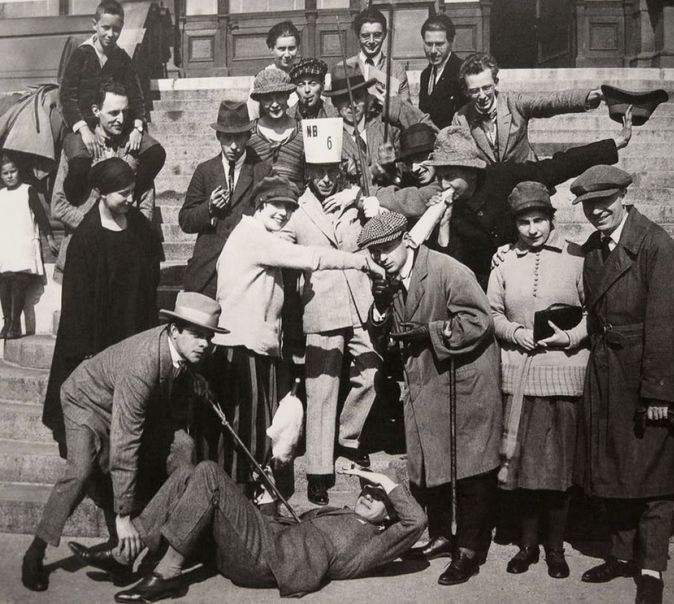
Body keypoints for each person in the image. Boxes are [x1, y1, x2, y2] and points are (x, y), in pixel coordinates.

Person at [21, 292, 226, 592]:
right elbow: (125, 440)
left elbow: (174, 372)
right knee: (81, 471)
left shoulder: (179, 349)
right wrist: (123, 515)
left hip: (122, 401)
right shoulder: (142, 365)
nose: (204, 344)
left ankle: (152, 544)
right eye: (197, 335)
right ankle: (36, 550)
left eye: (208, 337)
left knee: (184, 448)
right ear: (174, 330)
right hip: (86, 401)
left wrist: (194, 380)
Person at [571, 165, 674, 604]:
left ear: (624, 197)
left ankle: (651, 569)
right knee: (615, 470)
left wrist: (659, 393)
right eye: (589, 205)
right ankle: (621, 554)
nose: (597, 211)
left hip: (649, 377)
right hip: (609, 373)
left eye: (605, 202)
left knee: (653, 478)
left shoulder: (656, 245)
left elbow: (671, 323)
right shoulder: (596, 248)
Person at [210, 175, 384, 500]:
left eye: (289, 208)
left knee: (259, 435)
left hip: (255, 347)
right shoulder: (253, 237)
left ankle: (248, 505)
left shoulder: (257, 233)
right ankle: (234, 507)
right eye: (276, 205)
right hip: (240, 347)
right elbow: (311, 257)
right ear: (260, 204)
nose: (283, 213)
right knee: (247, 436)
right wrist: (361, 261)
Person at [361, 211, 502, 586]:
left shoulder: (447, 269)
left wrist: (431, 331)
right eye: (375, 252)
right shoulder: (390, 280)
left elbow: (479, 321)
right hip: (426, 383)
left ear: (407, 239)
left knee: (470, 468)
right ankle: (442, 536)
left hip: (464, 382)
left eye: (388, 247)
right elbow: (381, 337)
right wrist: (378, 308)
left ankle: (469, 551)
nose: (382, 257)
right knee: (430, 462)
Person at [66, 461, 426, 601]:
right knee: (188, 473)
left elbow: (417, 521)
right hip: (263, 539)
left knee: (209, 472)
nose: (368, 496)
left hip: (268, 560)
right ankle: (126, 552)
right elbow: (290, 523)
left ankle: (168, 572)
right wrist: (266, 499)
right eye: (366, 491)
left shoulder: (377, 542)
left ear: (388, 516)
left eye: (378, 498)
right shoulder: (341, 513)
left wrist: (380, 478)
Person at [486, 181, 589, 580]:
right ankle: (527, 546)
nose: (532, 229)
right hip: (519, 378)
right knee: (522, 468)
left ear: (551, 219)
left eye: (539, 220)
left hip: (564, 374)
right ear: (515, 224)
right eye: (524, 222)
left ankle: (556, 549)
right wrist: (514, 332)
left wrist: (571, 337)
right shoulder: (504, 264)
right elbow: (492, 313)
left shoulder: (576, 257)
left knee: (558, 470)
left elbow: (593, 312)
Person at [280, 130, 382, 505]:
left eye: (331, 170)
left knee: (370, 373)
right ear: (307, 172)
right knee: (321, 389)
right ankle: (319, 471)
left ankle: (348, 439)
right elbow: (281, 246)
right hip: (320, 307)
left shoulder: (353, 199)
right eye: (317, 171)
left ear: (341, 169)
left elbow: (382, 229)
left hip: (359, 302)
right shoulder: (297, 209)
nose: (325, 178)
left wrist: (362, 200)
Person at [430, 112, 632, 290]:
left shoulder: (503, 176)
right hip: (488, 288)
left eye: (449, 176)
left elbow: (557, 166)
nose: (443, 184)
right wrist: (444, 223)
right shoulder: (449, 209)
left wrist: (613, 145)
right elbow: (451, 267)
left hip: (531, 271)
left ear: (471, 172)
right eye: (439, 176)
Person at [43, 157, 161, 456]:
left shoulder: (137, 225)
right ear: (102, 193)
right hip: (98, 338)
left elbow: (151, 272)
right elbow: (77, 305)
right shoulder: (86, 238)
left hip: (133, 328)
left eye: (132, 191)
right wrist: (90, 354)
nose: (131, 199)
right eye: (123, 193)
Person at [59, 0, 165, 206]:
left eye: (116, 29)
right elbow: (66, 97)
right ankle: (85, 206)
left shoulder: (122, 58)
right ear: (94, 25)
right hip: (82, 126)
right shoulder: (81, 55)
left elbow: (136, 96)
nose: (110, 34)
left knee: (155, 153)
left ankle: (129, 193)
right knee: (80, 163)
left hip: (115, 123)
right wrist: (83, 129)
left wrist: (137, 126)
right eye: (105, 27)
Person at [51, 79, 156, 278]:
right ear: (96, 110)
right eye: (113, 113)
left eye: (125, 112)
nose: (121, 119)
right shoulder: (78, 149)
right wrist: (98, 228)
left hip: (123, 261)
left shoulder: (134, 149)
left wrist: (128, 231)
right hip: (81, 258)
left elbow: (146, 203)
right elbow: (58, 205)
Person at [178, 100, 270, 299]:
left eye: (239, 138)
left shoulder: (262, 170)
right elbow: (185, 221)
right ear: (218, 136)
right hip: (208, 273)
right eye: (228, 138)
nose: (234, 146)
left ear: (248, 136)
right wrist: (208, 208)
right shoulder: (205, 171)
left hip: (245, 271)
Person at [452, 53, 603, 165]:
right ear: (466, 91)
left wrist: (587, 96)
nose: (482, 95)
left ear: (496, 82)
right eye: (474, 91)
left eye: (486, 87)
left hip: (525, 180)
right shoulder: (461, 119)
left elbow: (551, 101)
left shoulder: (514, 102)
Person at [325, 62, 435, 189]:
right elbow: (333, 182)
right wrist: (373, 171)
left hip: (391, 201)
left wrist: (397, 105)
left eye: (358, 97)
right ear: (334, 102)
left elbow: (429, 130)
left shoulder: (387, 126)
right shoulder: (331, 136)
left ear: (366, 97)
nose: (353, 105)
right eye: (345, 99)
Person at [0, 153, 58, 339]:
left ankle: (16, 324)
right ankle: (7, 320)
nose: (9, 176)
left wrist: (49, 237)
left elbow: (41, 217)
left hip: (23, 243)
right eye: (5, 173)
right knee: (4, 282)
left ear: (19, 172)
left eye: (13, 171)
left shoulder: (28, 190)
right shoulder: (0, 195)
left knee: (18, 281)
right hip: (5, 244)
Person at [248, 68, 305, 189]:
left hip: (297, 201)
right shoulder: (250, 133)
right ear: (260, 100)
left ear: (288, 96)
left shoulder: (303, 131)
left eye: (279, 96)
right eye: (268, 99)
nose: (274, 104)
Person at [342, 6, 409, 102]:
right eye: (365, 35)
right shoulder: (344, 69)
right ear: (358, 36)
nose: (371, 41)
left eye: (377, 35)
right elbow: (333, 109)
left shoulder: (397, 70)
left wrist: (394, 102)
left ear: (385, 34)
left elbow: (407, 111)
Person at [418, 13, 467, 129]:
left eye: (439, 44)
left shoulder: (462, 71)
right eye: (429, 44)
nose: (433, 51)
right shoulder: (425, 75)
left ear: (451, 42)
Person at [247, 20, 301, 119]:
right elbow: (253, 116)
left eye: (292, 48)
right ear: (271, 49)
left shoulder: (303, 77)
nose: (287, 54)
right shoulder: (259, 80)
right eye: (281, 49)